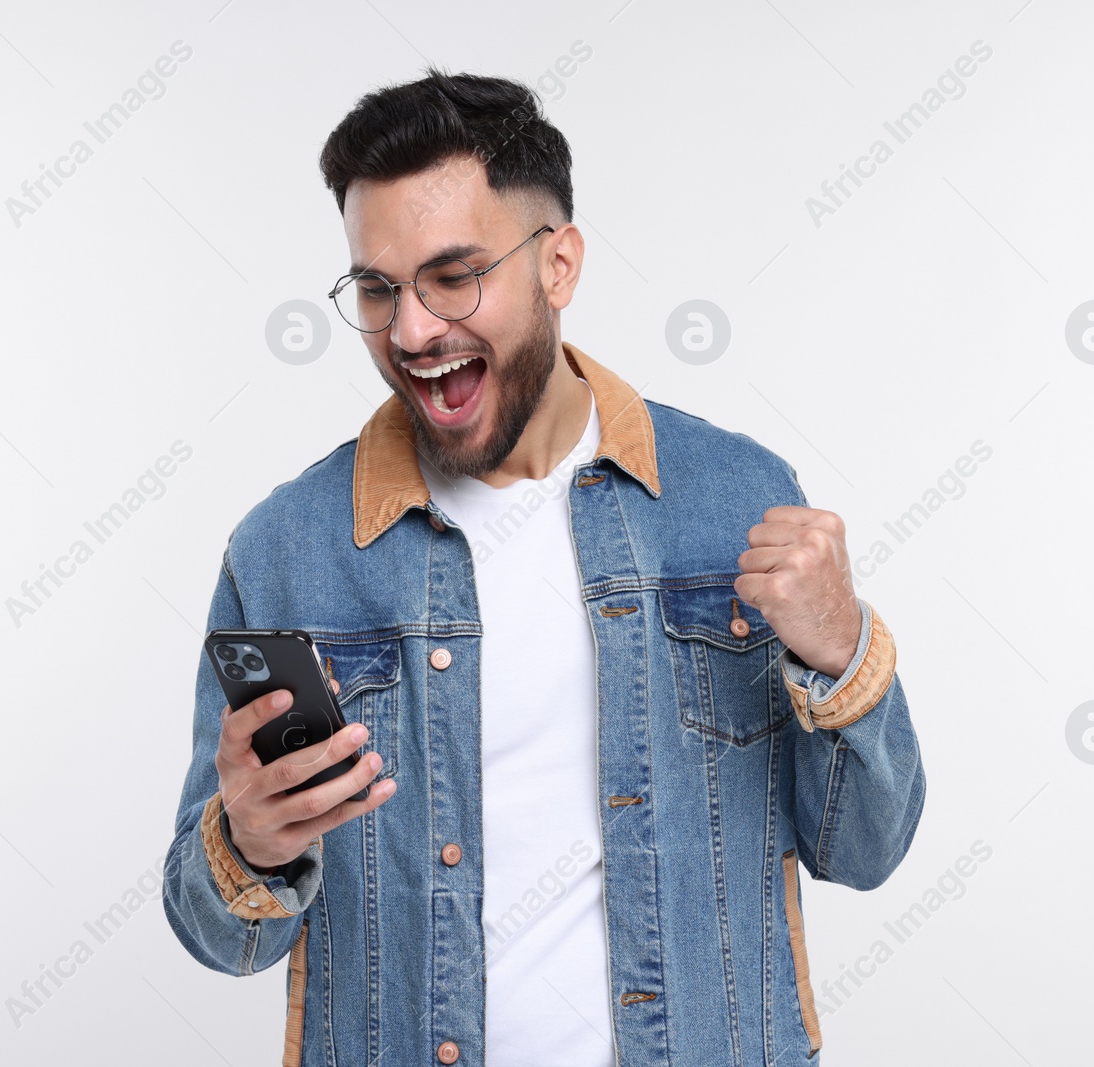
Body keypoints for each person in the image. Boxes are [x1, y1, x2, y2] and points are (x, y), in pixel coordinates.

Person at [164, 66, 925, 1067]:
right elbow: (223, 935)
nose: (412, 331)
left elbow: (860, 849)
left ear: (557, 265)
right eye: (378, 289)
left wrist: (844, 650)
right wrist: (250, 844)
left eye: (453, 276)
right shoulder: (287, 550)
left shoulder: (734, 500)